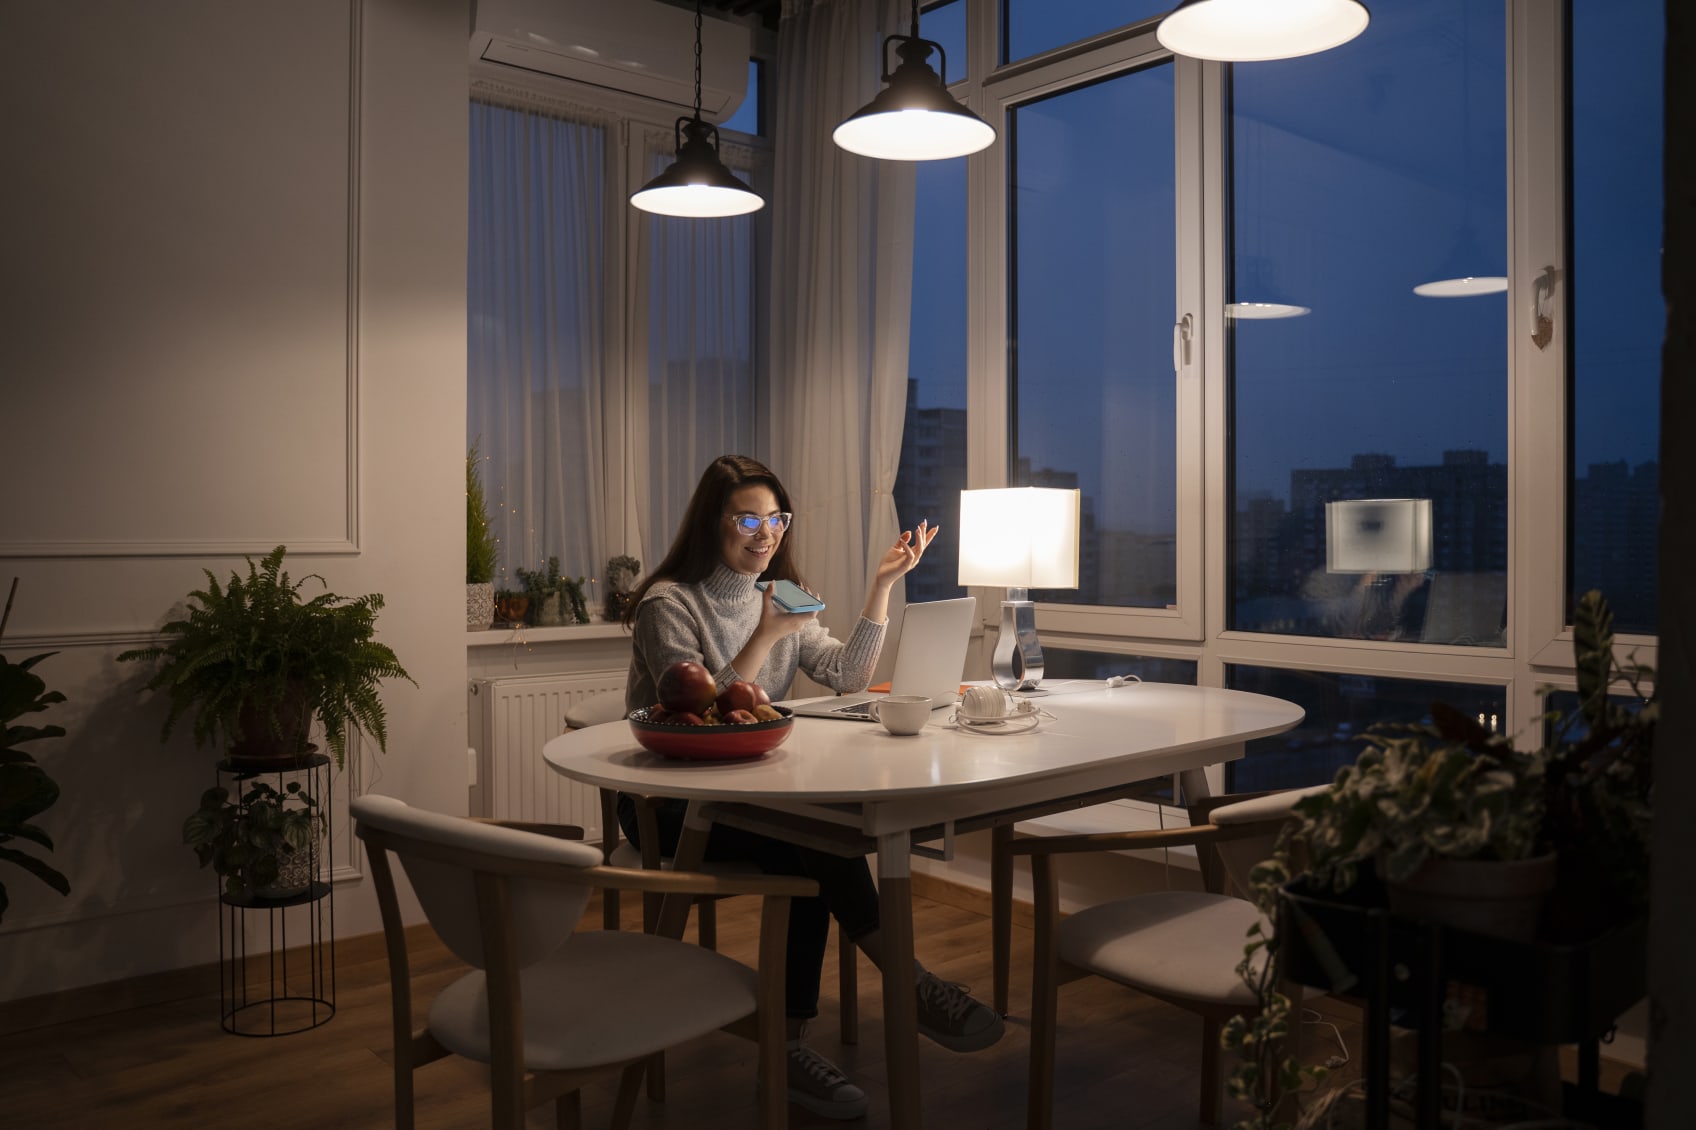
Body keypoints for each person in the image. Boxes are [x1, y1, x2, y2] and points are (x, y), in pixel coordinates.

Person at [620, 454, 1002, 1121]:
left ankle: (795, 1041)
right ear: (713, 523)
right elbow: (697, 706)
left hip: (749, 789)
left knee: (813, 837)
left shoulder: (785, 589)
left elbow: (849, 677)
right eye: (747, 518)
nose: (765, 533)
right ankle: (898, 992)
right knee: (808, 842)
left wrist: (881, 589)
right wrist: (769, 633)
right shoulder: (667, 603)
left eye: (776, 518)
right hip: (669, 802)